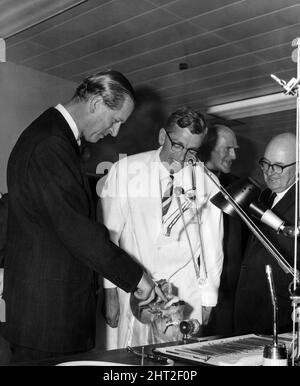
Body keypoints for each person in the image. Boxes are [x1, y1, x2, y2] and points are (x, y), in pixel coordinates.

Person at [1, 70, 164, 363]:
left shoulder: (50, 135)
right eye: (116, 120)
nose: (115, 132)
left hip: (46, 315)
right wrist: (137, 278)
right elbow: (78, 231)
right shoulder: (50, 144)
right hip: (48, 319)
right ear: (95, 103)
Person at [99, 107, 224, 349]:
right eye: (177, 145)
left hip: (185, 290)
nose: (181, 157)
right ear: (161, 137)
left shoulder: (208, 181)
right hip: (135, 285)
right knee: (131, 358)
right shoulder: (124, 170)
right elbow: (109, 236)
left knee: (179, 360)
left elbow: (212, 246)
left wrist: (209, 298)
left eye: (191, 151)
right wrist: (109, 292)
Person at [234, 132, 299, 335]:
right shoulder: (265, 196)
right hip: (250, 312)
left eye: (279, 166)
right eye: (266, 163)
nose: (271, 172)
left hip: (280, 318)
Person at [199, 125, 247, 336]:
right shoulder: (190, 182)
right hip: (199, 290)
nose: (234, 155)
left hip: (231, 290)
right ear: (208, 147)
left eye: (234, 149)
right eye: (228, 149)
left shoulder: (237, 185)